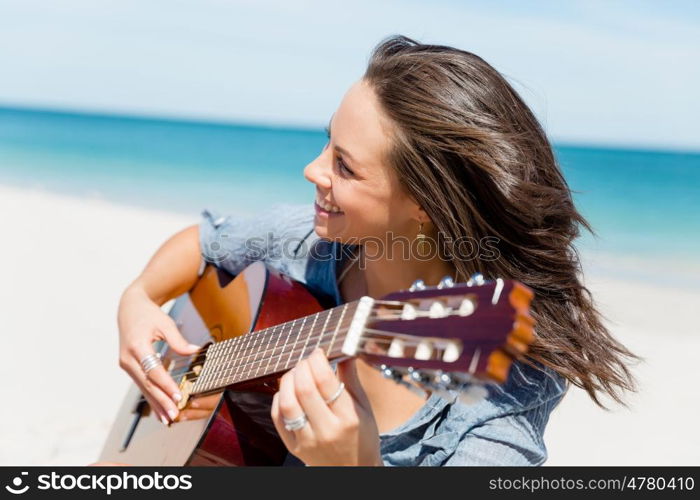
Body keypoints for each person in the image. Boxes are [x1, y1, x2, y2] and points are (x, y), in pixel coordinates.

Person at [116, 35, 637, 466]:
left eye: (345, 165)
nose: (312, 170)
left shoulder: (508, 380)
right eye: (327, 144)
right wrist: (138, 301)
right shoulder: (312, 245)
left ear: (425, 204)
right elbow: (203, 241)